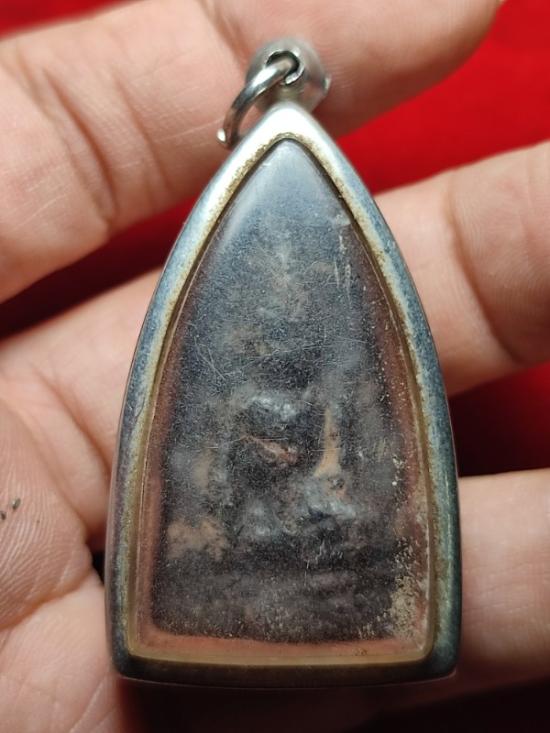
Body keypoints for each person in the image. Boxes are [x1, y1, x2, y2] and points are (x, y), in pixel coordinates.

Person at [0, 0, 548, 730]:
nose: (282, 350)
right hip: (241, 541)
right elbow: (226, 488)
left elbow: (334, 470)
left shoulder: (328, 404)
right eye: (270, 339)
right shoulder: (238, 420)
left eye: (295, 337)